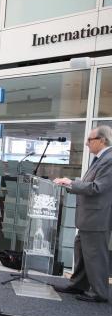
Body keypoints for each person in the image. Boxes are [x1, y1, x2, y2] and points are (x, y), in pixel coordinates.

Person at [54, 125, 112, 303]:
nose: (86, 144)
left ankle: (99, 293)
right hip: (89, 218)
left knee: (95, 256)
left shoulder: (109, 159)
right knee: (82, 252)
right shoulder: (99, 159)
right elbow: (89, 183)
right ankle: (78, 284)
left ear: (101, 140)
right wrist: (71, 184)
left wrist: (71, 183)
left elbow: (97, 187)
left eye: (90, 140)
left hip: (98, 218)